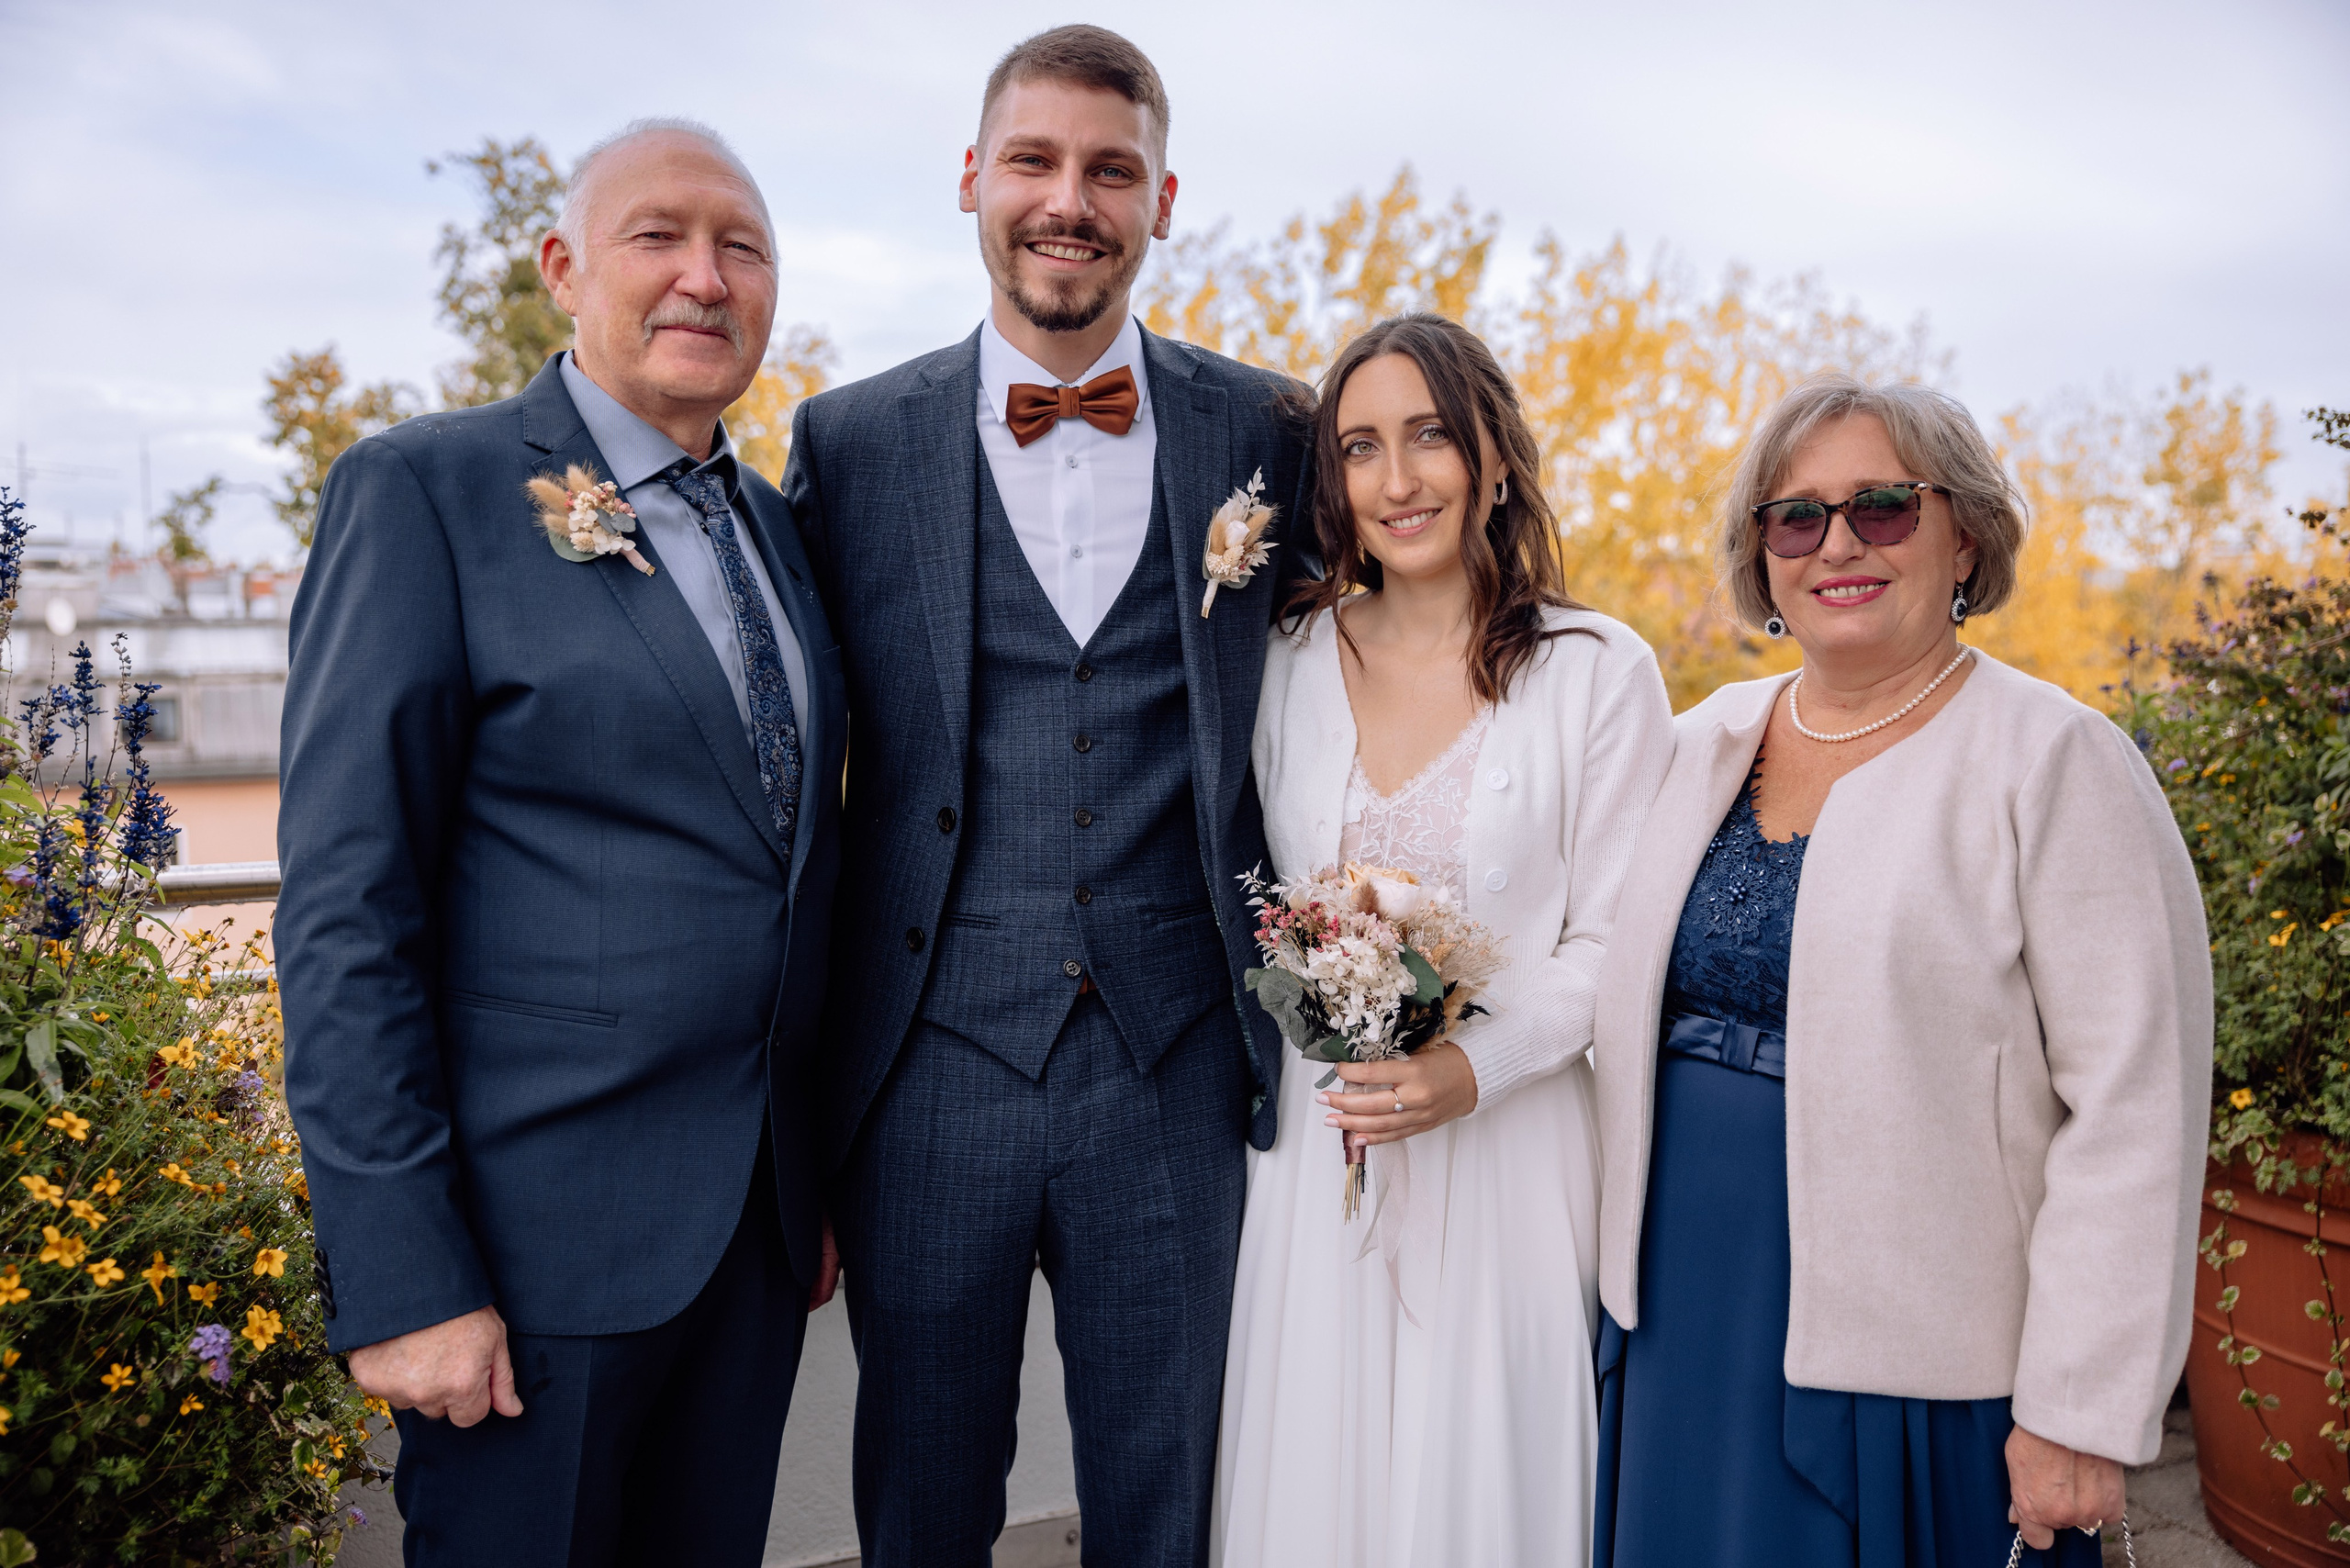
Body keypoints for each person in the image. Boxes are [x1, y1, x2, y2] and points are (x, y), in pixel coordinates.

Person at [277, 119, 845, 1564]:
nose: (704, 280)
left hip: (749, 1253)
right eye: (659, 236)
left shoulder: (778, 531)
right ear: (561, 267)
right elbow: (349, 909)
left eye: (744, 247)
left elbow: (789, 873)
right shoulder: (424, 493)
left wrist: (813, 1180)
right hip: (524, 1270)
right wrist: (405, 1275)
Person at [781, 26, 1308, 1568]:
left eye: (1109, 170)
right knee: (923, 1498)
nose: (1068, 199)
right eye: (1035, 160)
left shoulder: (1264, 429)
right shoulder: (850, 439)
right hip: (926, 1066)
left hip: (1180, 1064)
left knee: (1174, 1497)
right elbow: (794, 759)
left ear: (1160, 201)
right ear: (973, 178)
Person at [1589, 373, 2213, 1566]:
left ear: (1963, 532)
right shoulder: (1699, 739)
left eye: (1881, 508)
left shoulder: (2058, 761)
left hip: (1919, 1361)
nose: (1836, 546)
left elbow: (2136, 1105)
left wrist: (2079, 1410)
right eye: (1796, 516)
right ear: (1761, 549)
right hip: (1677, 1322)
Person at [1217, 313, 1673, 1568]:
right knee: (1319, 1477)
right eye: (1361, 447)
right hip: (1326, 1154)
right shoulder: (1288, 659)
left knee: (1484, 1485)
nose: (1397, 478)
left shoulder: (1596, 670)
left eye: (1429, 437)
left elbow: (1617, 942)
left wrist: (1466, 1070)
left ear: (1495, 458)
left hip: (1514, 1152)